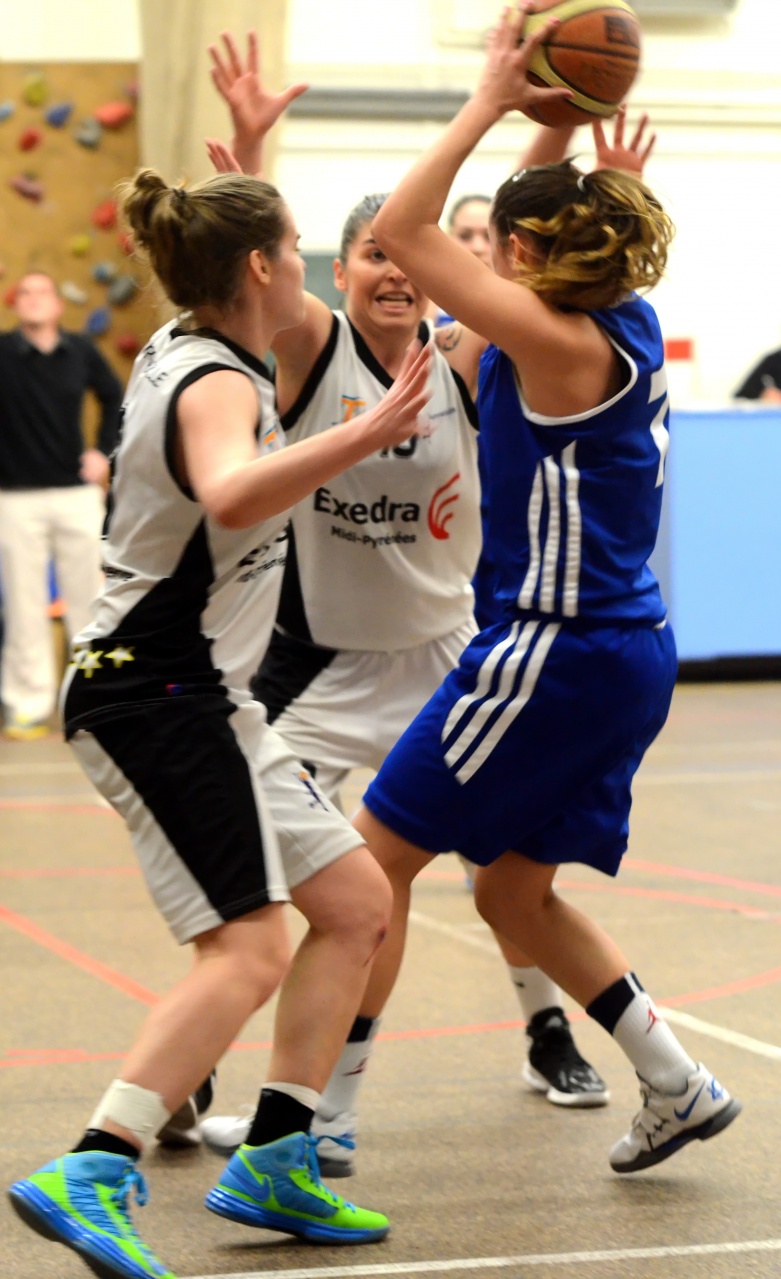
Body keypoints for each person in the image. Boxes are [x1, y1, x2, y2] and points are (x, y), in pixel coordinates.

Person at [320, 4, 742, 1178]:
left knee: (368, 863)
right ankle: (678, 1082)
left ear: (518, 259)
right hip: (622, 653)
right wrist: (565, 142)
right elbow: (500, 233)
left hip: (550, 651)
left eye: (499, 242)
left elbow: (404, 230)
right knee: (512, 894)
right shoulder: (612, 322)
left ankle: (318, 1115)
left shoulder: (552, 345)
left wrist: (495, 98)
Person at [190, 32, 608, 1173]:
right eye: (369, 253)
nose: (391, 271)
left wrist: (552, 118)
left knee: (501, 864)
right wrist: (256, 148)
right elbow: (249, 270)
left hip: (445, 653)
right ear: (337, 271)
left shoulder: (464, 356)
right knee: (250, 854)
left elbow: (509, 248)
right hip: (323, 663)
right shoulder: (310, 350)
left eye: (402, 254)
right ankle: (206, 1054)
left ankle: (541, 1033)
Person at [8, 166, 434, 1279]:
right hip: (154, 691)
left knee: (354, 903)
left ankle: (278, 1155)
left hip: (205, 693)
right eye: (293, 245)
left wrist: (243, 151)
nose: (306, 265)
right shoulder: (214, 381)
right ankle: (93, 1164)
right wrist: (368, 432)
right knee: (247, 946)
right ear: (259, 265)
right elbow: (232, 490)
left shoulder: (191, 342)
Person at [0, 272, 123, 739]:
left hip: (77, 496)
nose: (34, 299)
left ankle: (94, 701)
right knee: (24, 605)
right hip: (15, 499)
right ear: (16, 304)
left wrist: (103, 452)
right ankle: (27, 704)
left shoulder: (81, 351)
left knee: (91, 602)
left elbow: (115, 398)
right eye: (25, 293)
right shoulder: (2, 352)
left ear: (57, 304)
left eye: (42, 291)